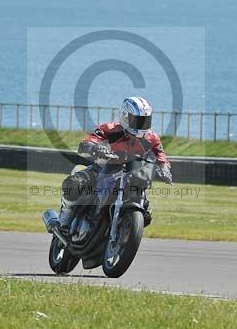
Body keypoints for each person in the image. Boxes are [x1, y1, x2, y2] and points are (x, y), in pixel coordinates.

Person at [57, 96, 173, 232]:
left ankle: (123, 230)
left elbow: (161, 156)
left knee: (146, 214)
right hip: (102, 168)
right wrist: (95, 147)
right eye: (138, 120)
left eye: (145, 120)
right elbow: (89, 141)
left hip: (132, 173)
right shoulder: (109, 128)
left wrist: (164, 169)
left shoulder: (152, 138)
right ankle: (66, 213)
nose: (142, 124)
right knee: (74, 183)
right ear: (125, 117)